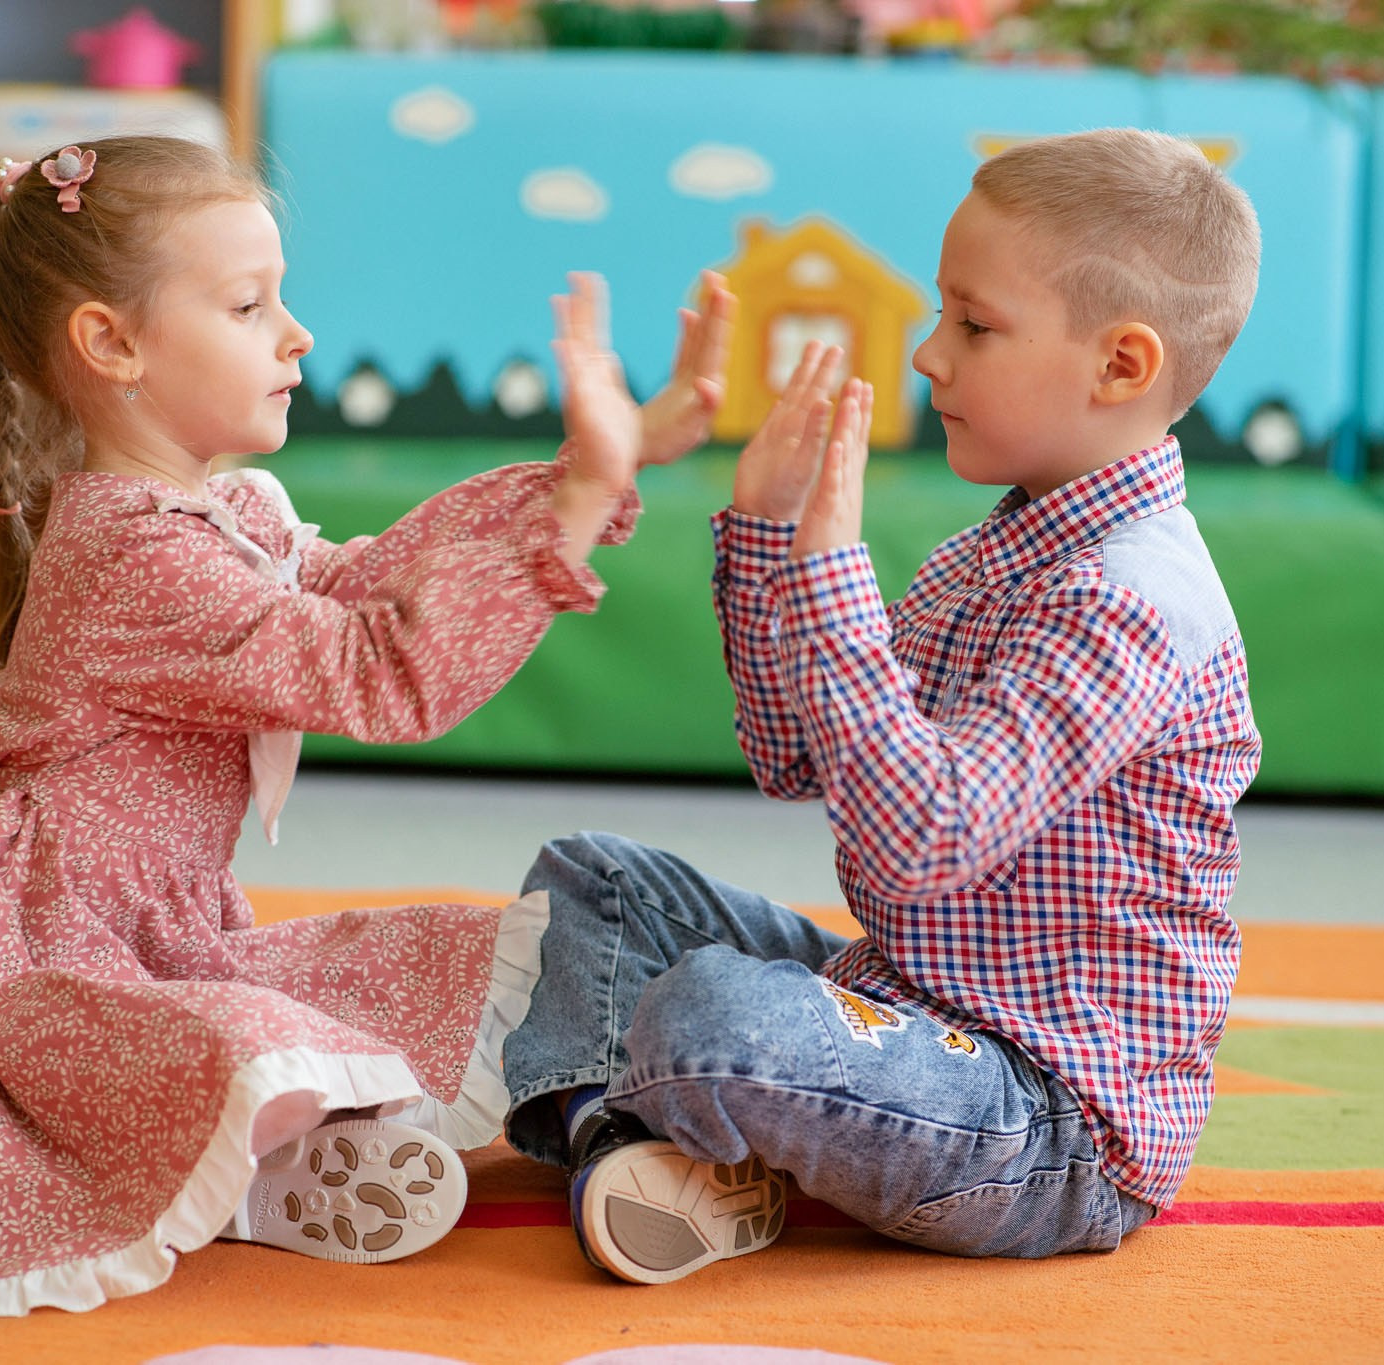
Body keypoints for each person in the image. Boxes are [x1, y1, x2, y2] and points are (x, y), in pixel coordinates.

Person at [0, 135, 733, 1315]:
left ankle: (276, 1161)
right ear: (111, 344)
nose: (296, 333)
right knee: (246, 1037)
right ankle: (261, 1185)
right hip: (42, 978)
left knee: (415, 966)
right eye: (247, 304)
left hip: (151, 937)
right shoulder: (132, 554)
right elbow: (386, 674)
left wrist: (589, 468)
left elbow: (367, 584)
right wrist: (574, 503)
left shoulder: (208, 511)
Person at [499, 127, 1264, 1283]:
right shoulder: (991, 551)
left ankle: (633, 1126)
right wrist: (763, 535)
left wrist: (824, 572)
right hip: (904, 1005)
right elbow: (794, 756)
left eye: (971, 323)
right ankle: (632, 1143)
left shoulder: (1132, 600)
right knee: (592, 878)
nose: (923, 355)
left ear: (1118, 366)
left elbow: (918, 843)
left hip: (1045, 1123)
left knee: (714, 1013)